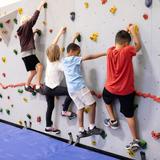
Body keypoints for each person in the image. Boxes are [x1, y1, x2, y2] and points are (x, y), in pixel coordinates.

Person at [102, 24, 142, 150]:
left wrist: (125, 32)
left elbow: (119, 43)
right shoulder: (127, 50)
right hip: (125, 90)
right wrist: (133, 32)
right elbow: (138, 46)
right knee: (129, 115)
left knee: (106, 99)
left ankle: (113, 120)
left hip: (110, 88)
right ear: (126, 44)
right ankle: (135, 140)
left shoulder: (109, 51)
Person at [62, 33, 106, 137]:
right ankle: (91, 127)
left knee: (80, 107)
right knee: (92, 104)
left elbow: (70, 48)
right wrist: (104, 53)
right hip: (79, 87)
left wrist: (73, 38)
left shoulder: (64, 60)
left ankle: (81, 131)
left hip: (71, 89)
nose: (78, 55)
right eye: (77, 53)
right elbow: (89, 57)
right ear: (72, 52)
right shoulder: (74, 58)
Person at [44, 27, 76, 133]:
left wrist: (60, 32)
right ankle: (64, 110)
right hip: (53, 88)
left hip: (47, 88)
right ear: (58, 54)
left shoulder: (48, 60)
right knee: (71, 91)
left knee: (50, 107)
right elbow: (69, 56)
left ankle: (48, 125)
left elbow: (53, 45)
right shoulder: (60, 65)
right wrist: (74, 38)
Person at [17, 0, 47, 93]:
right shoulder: (26, 25)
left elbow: (26, 39)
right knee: (40, 67)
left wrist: (33, 33)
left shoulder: (20, 31)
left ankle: (27, 85)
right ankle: (38, 85)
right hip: (29, 54)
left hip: (24, 55)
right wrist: (40, 5)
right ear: (26, 21)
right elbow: (34, 18)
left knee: (33, 71)